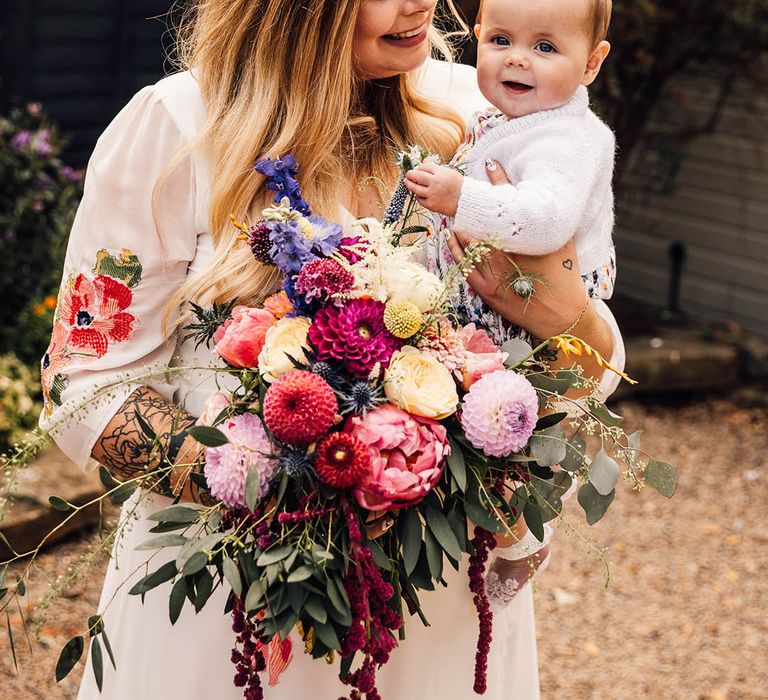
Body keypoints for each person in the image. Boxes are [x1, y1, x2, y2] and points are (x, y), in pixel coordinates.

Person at [39, 1, 624, 698]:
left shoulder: (485, 107)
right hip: (237, 608)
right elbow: (82, 384)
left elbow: (586, 363)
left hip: (436, 605)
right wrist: (285, 491)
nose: (421, 4)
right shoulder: (175, 126)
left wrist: (569, 319)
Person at [405, 0, 617, 344]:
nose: (516, 58)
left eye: (544, 47)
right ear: (478, 37)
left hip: (526, 310)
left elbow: (547, 220)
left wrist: (461, 197)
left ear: (591, 63)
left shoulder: (565, 140)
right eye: (500, 40)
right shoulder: (516, 117)